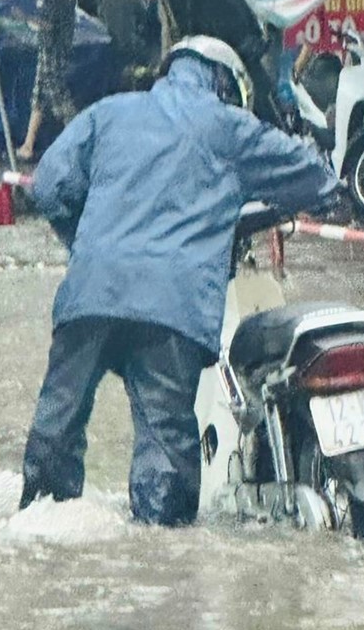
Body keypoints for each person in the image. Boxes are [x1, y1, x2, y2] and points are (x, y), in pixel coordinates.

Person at [19, 35, 341, 526]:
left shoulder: (109, 113)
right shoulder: (229, 127)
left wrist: (88, 244)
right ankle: (160, 557)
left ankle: (39, 529)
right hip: (173, 311)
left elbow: (47, 186)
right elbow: (316, 181)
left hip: (90, 295)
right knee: (166, 451)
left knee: (57, 429)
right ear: (224, 85)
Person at [16, 0, 77, 160]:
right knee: (39, 97)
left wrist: (24, 18)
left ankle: (79, 139)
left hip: (53, 53)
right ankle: (28, 144)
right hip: (50, 51)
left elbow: (49, 25)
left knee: (59, 97)